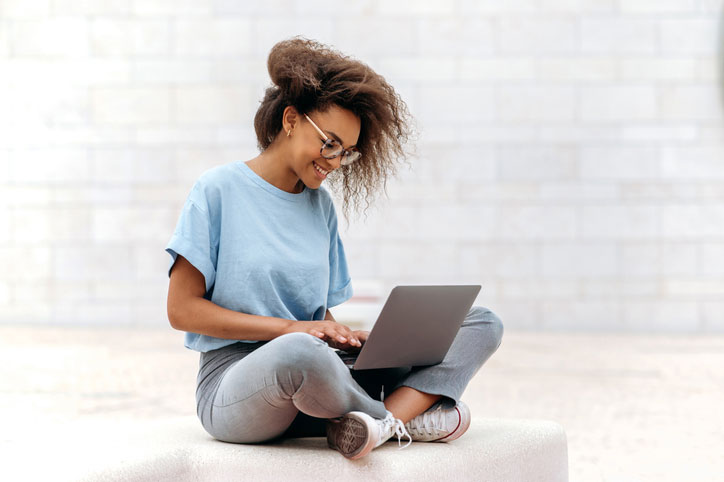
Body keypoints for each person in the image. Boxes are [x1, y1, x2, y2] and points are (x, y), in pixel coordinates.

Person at [165, 36, 504, 460]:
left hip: (321, 376)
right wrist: (294, 331)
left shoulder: (319, 205)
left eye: (346, 153)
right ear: (291, 120)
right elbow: (182, 311)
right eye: (329, 143)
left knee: (480, 322)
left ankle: (368, 424)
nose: (334, 161)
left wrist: (341, 334)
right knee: (300, 352)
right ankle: (401, 418)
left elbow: (314, 314)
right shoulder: (217, 190)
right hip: (238, 384)